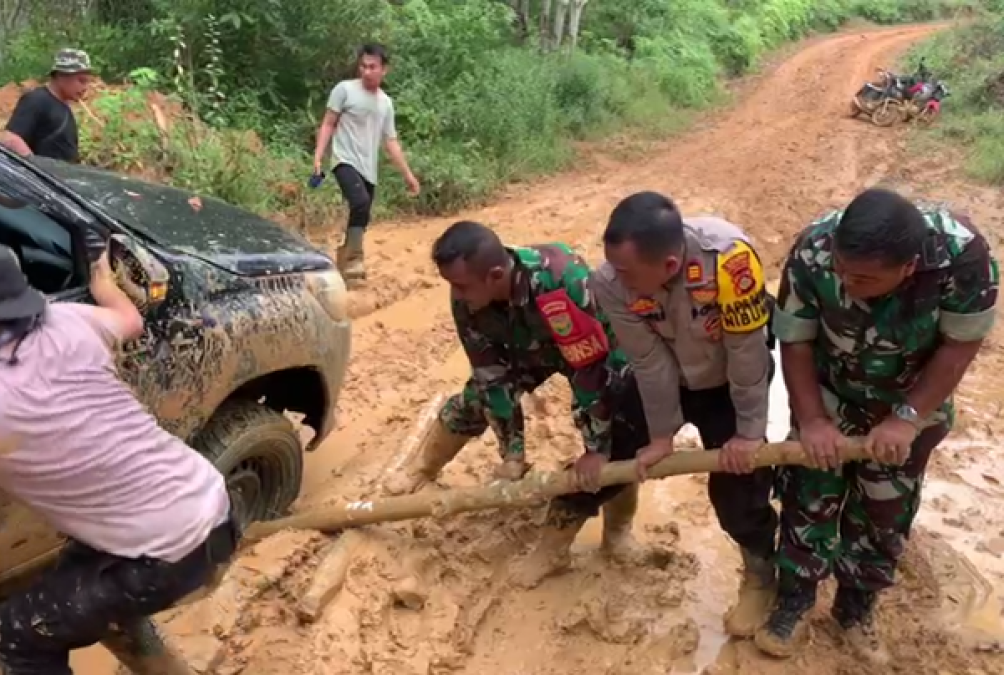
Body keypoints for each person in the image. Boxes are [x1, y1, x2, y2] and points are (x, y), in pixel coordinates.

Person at [0, 237, 239, 674]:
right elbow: (130, 321)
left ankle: (118, 622)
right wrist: (103, 284)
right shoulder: (71, 321)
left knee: (15, 636)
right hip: (213, 503)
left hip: (165, 559)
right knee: (76, 577)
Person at [757, 188, 998, 663]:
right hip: (829, 394)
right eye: (842, 271)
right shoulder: (814, 249)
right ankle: (796, 598)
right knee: (809, 494)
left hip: (910, 402)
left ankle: (855, 606)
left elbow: (960, 345)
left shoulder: (964, 256)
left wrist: (907, 418)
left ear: (908, 267)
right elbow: (796, 341)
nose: (845, 284)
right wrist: (812, 420)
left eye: (863, 278)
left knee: (885, 508)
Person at [382, 220, 650, 587]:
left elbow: (592, 375)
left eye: (461, 287)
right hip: (527, 352)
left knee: (621, 438)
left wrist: (596, 449)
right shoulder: (467, 293)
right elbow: (489, 373)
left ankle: (617, 534)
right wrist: (513, 454)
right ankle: (423, 469)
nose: (456, 296)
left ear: (494, 275)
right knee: (474, 399)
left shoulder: (562, 282)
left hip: (596, 357)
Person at [590, 192, 778, 639]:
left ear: (669, 266)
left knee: (738, 487)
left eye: (629, 273)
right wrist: (660, 436)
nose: (618, 280)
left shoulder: (730, 262)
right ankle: (612, 534)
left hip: (729, 377)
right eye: (614, 267)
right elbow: (649, 362)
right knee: (619, 444)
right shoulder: (610, 283)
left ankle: (760, 575)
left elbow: (746, 352)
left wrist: (749, 434)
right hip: (671, 374)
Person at [312, 43, 420, 283]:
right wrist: (319, 155)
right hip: (344, 160)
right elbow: (329, 123)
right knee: (359, 202)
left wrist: (408, 175)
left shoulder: (385, 103)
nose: (366, 71)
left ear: (384, 70)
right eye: (363, 66)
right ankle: (355, 259)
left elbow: (390, 141)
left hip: (368, 168)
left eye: (372, 67)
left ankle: (345, 258)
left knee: (362, 214)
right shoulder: (345, 90)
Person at [1, 49, 93, 163]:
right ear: (61, 76)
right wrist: (37, 170)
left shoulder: (63, 107)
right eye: (81, 81)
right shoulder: (37, 100)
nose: (85, 88)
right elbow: (11, 139)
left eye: (88, 82)